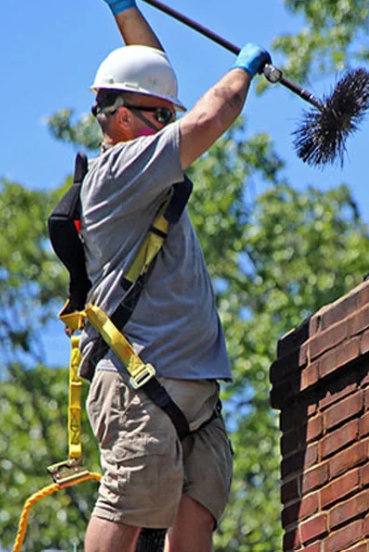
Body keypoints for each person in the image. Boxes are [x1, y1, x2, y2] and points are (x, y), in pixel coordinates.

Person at [77, 1, 270, 550]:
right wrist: (244, 71)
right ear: (118, 118)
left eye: (168, 116)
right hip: (141, 377)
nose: (169, 127)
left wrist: (125, 10)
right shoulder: (117, 171)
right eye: (159, 117)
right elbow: (211, 114)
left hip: (197, 394)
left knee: (199, 506)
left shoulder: (144, 158)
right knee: (133, 495)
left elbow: (150, 66)